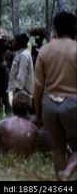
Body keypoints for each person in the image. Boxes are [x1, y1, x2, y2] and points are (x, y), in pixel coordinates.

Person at [33, 11, 77, 180]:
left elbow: (37, 85)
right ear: (74, 29)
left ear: (56, 29)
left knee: (59, 150)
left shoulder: (44, 50)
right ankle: (66, 173)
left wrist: (38, 112)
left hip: (49, 106)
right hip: (73, 104)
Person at [0, 91, 38, 157]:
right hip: (24, 162)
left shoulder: (2, 124)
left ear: (12, 107)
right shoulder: (34, 129)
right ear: (28, 109)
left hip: (5, 160)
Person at [7, 33, 34, 107]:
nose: (13, 43)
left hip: (22, 90)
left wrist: (18, 91)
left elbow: (21, 75)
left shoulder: (24, 55)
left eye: (15, 41)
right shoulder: (20, 54)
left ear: (19, 43)